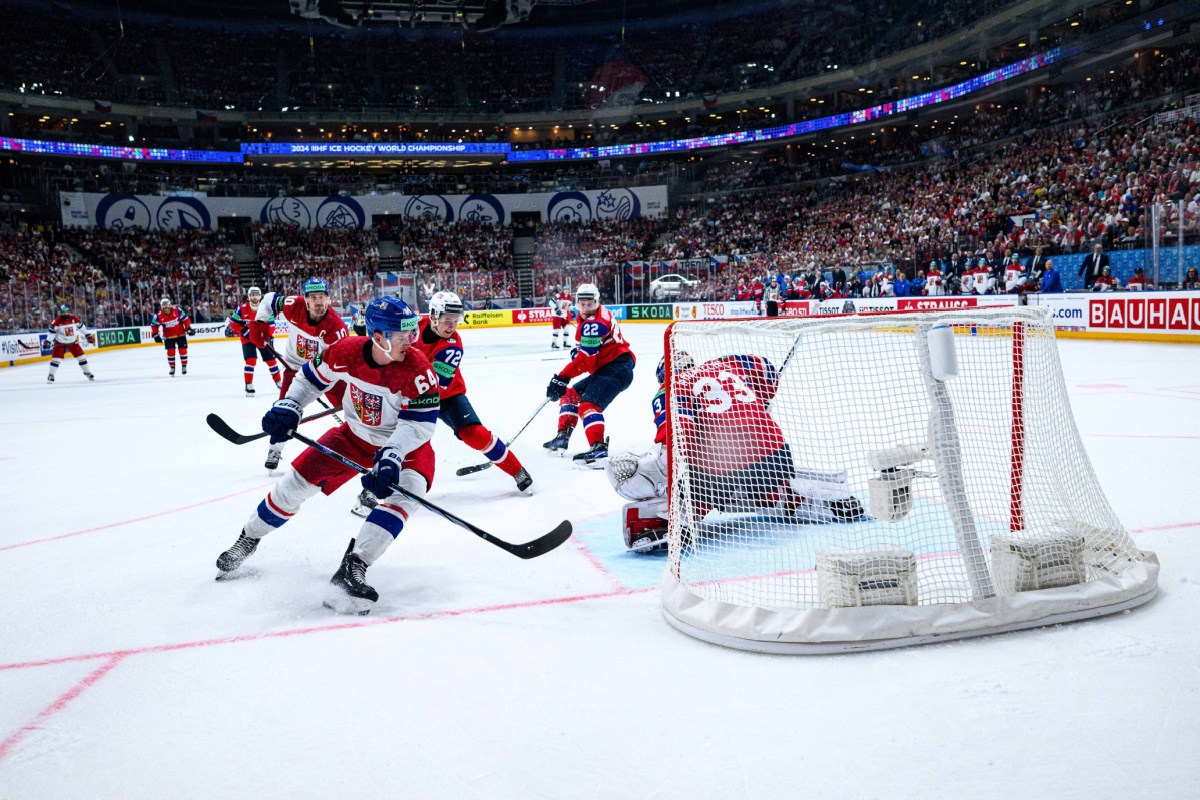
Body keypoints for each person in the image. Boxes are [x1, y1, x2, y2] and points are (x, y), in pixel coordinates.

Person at [214, 296, 441, 615]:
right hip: (353, 436)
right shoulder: (346, 351)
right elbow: (309, 378)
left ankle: (354, 566)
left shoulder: (418, 370)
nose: (411, 341)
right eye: (402, 335)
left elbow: (419, 425)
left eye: (411, 333)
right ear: (378, 337)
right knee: (293, 485)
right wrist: (290, 405)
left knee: (410, 492)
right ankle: (248, 538)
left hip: (405, 445)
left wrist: (390, 455)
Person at [414, 291, 532, 493]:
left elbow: (434, 386)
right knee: (401, 440)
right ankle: (379, 487)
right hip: (411, 393)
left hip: (445, 395)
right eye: (447, 320)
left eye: (456, 320)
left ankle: (517, 471)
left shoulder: (452, 347)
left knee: (475, 434)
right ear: (433, 315)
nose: (452, 325)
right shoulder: (413, 326)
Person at [252, 278, 350, 471]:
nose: (318, 302)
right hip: (294, 367)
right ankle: (275, 449)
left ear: (329, 299)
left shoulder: (336, 329)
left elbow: (339, 364)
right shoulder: (292, 306)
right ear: (305, 300)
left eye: (322, 297)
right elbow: (269, 299)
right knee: (283, 412)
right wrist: (260, 322)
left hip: (327, 373)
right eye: (313, 297)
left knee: (351, 405)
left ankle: (359, 441)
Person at [604, 353, 692, 553]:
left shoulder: (663, 392)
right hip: (746, 456)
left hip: (695, 464)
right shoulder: (708, 384)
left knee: (653, 475)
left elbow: (673, 438)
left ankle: (675, 514)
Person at [543, 283, 635, 468]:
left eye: (590, 304)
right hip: (608, 366)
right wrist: (581, 352)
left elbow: (586, 362)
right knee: (570, 395)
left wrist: (561, 377)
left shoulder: (594, 323)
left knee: (588, 404)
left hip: (616, 368)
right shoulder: (594, 314)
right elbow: (591, 352)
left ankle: (598, 450)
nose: (585, 309)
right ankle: (562, 437)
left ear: (597, 302)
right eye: (582, 304)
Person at [226, 286, 281, 396]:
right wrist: (243, 331)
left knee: (271, 361)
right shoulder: (242, 308)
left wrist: (266, 336)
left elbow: (272, 325)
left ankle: (279, 382)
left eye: (256, 294)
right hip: (248, 340)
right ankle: (248, 385)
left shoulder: (266, 308)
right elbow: (233, 322)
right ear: (249, 296)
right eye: (252, 295)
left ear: (260, 296)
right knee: (250, 361)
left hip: (262, 340)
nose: (254, 297)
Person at [46, 304, 95, 383]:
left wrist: (88, 335)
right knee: (56, 359)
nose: (65, 314)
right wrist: (47, 341)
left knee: (81, 357)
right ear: (61, 313)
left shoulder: (74, 319)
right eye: (63, 312)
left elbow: (82, 328)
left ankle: (87, 372)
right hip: (60, 342)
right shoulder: (56, 321)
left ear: (69, 312)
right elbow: (51, 333)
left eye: (67, 312)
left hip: (72, 342)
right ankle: (51, 375)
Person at [151, 297, 193, 376]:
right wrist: (155, 334)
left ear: (169, 304)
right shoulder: (158, 316)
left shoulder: (177, 310)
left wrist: (188, 328)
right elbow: (153, 325)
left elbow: (186, 319)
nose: (165, 306)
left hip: (181, 334)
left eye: (166, 304)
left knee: (183, 350)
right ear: (161, 307)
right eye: (163, 305)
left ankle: (184, 366)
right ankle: (172, 367)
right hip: (169, 336)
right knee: (170, 352)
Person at [549, 285, 574, 350]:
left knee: (567, 329)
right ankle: (554, 343)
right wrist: (556, 309)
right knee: (557, 330)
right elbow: (551, 302)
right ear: (563, 290)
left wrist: (571, 310)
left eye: (567, 289)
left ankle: (565, 343)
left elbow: (567, 306)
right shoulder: (558, 295)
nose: (566, 291)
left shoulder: (570, 297)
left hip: (564, 315)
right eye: (565, 289)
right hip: (556, 315)